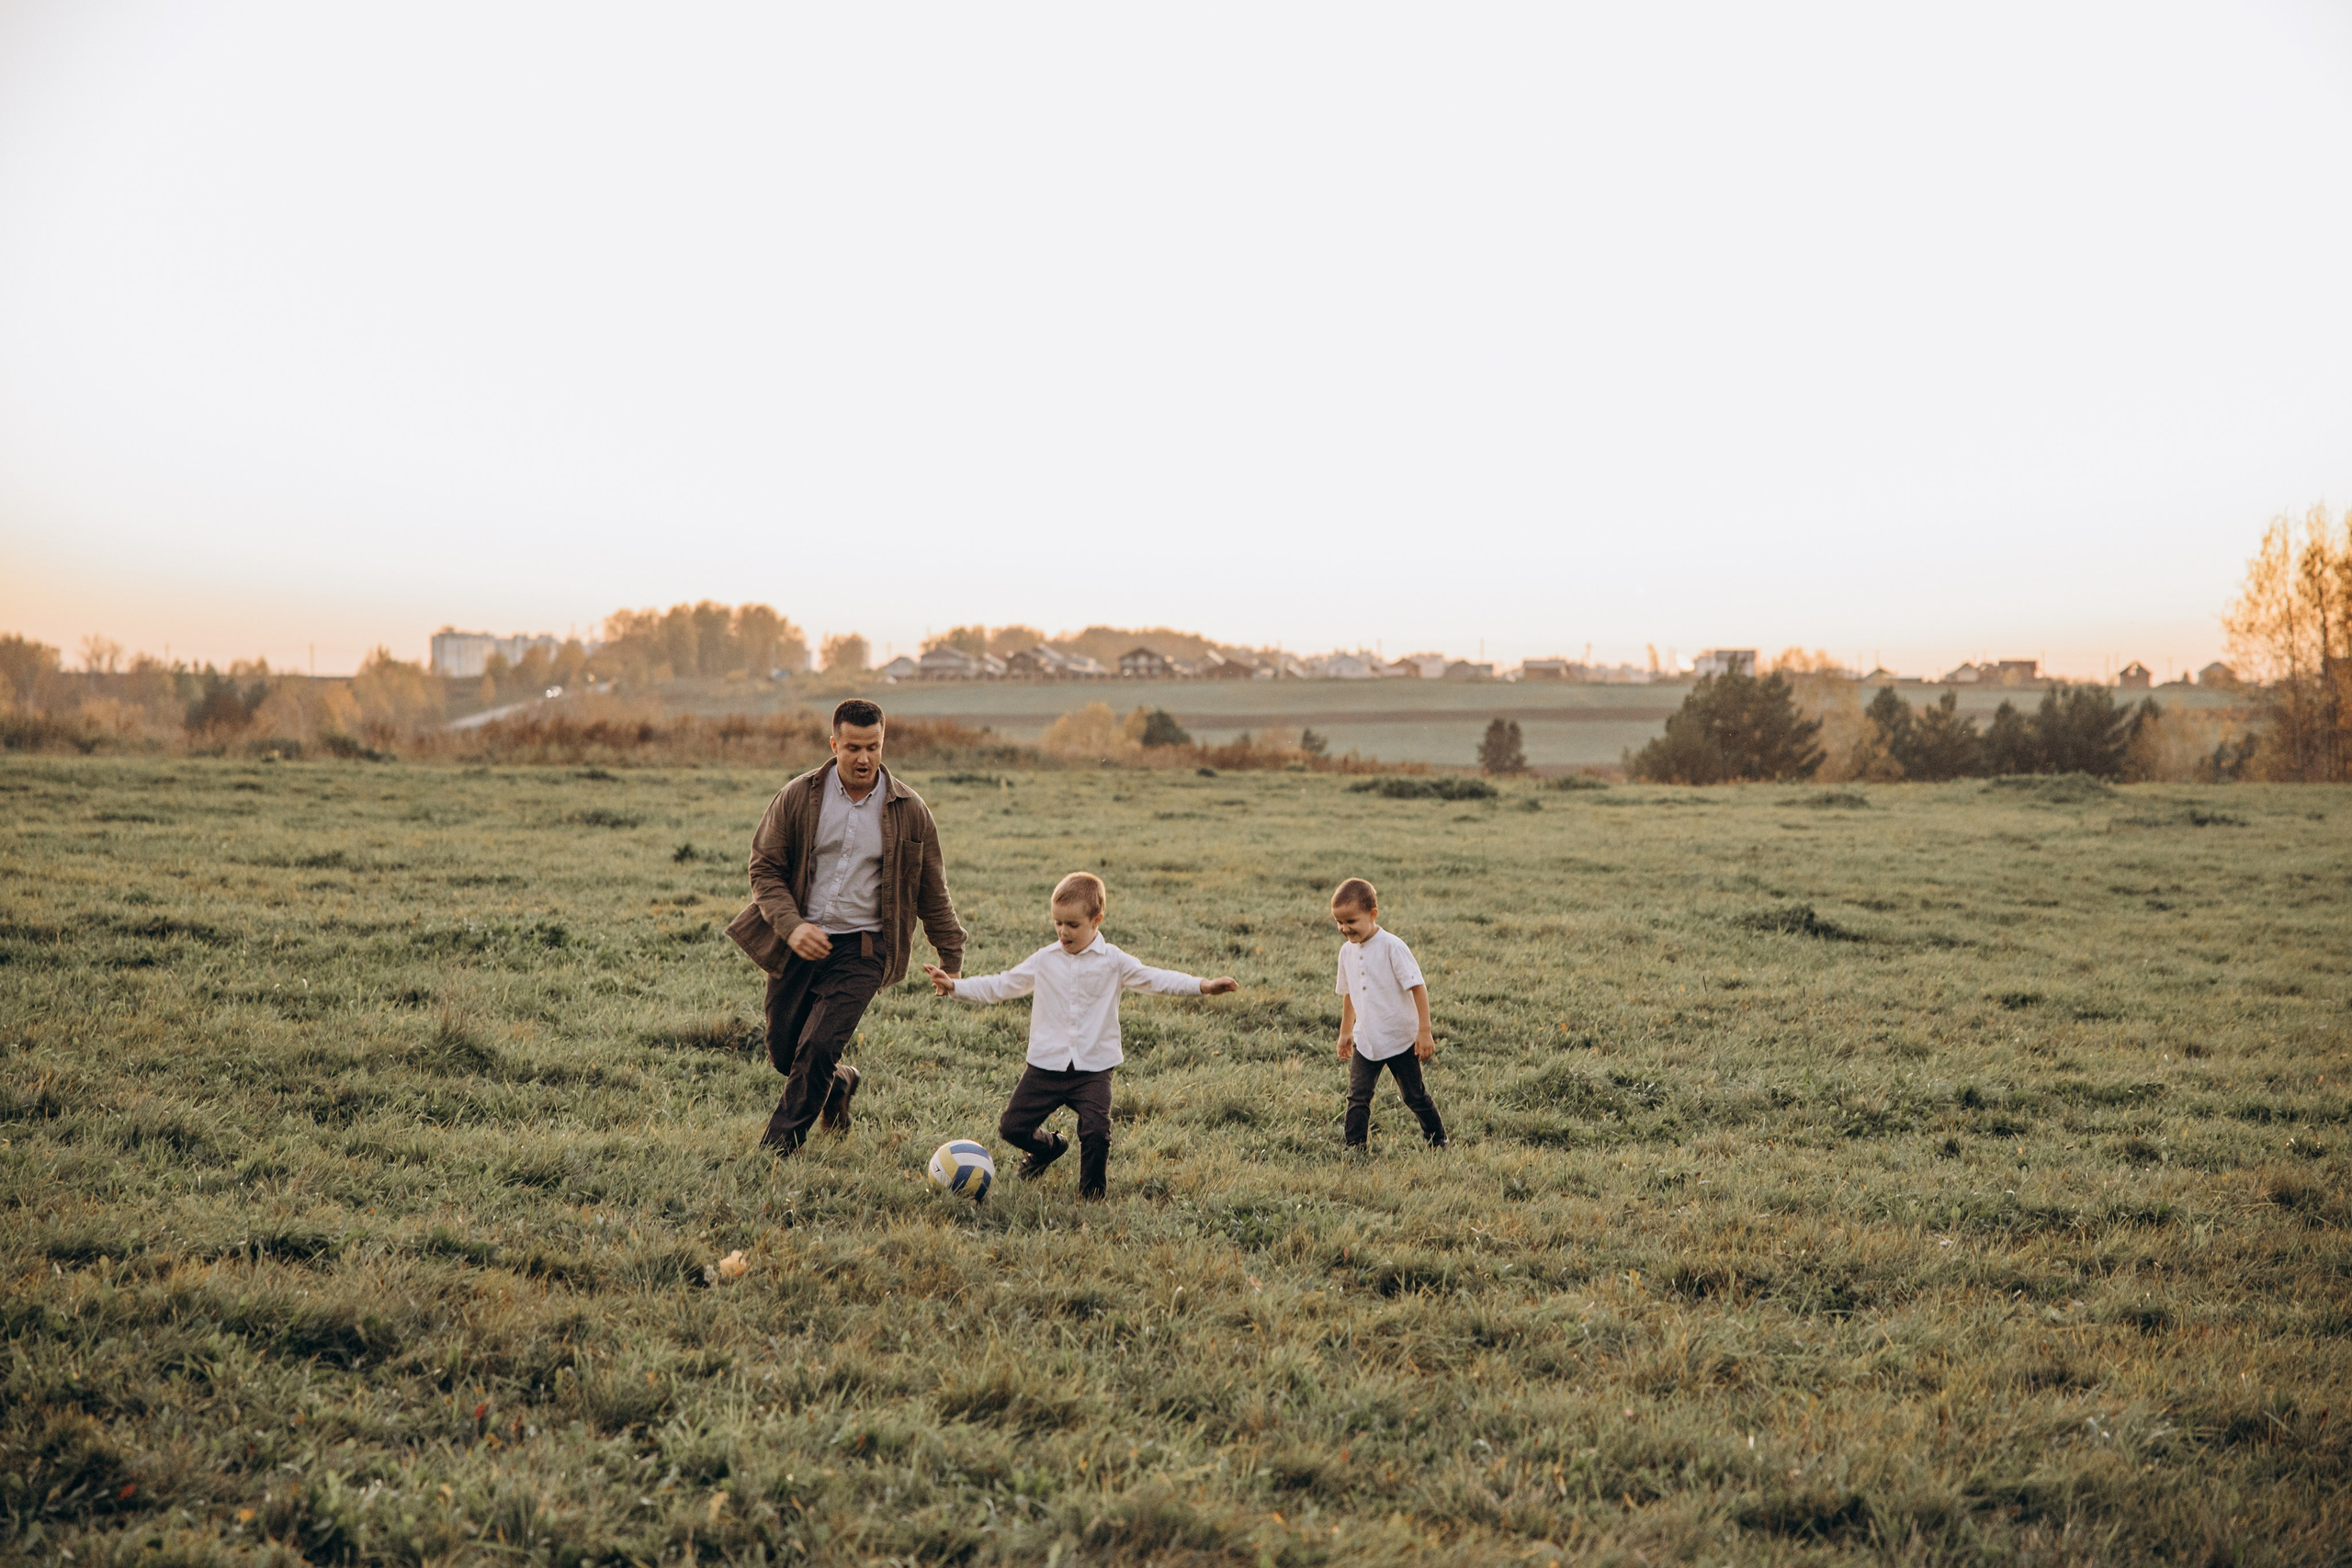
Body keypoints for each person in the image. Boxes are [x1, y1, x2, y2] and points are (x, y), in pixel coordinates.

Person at [725, 698, 965, 1155]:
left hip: (864, 949)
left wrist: (950, 956)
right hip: (800, 942)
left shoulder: (910, 810)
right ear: (834, 745)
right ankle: (838, 1083)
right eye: (853, 747)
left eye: (873, 747)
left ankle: (776, 1152)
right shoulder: (798, 796)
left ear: (883, 743)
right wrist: (792, 927)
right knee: (785, 1052)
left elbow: (932, 890)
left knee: (818, 1047)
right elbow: (765, 868)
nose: (864, 758)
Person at [924, 871, 1235, 1199]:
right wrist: (955, 986)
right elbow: (1002, 984)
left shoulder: (1113, 961)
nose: (1063, 931)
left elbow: (1157, 979)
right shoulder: (1045, 959)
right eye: (1057, 922)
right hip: (1046, 1066)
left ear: (1096, 920)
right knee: (1012, 1127)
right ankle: (1049, 1147)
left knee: (1097, 1131)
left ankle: (1092, 1196)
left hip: (1093, 1069)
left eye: (1072, 925)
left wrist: (1203, 986)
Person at [1329, 876, 1447, 1150]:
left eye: (1351, 921)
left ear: (1373, 914)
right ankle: (1354, 1148)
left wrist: (1424, 1031)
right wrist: (1346, 1032)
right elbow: (1349, 993)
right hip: (1366, 1039)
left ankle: (1438, 1139)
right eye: (1339, 922)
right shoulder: (1346, 952)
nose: (1344, 928)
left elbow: (1418, 987)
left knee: (1414, 1095)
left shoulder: (1391, 946)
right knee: (1358, 1096)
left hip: (1400, 1038)